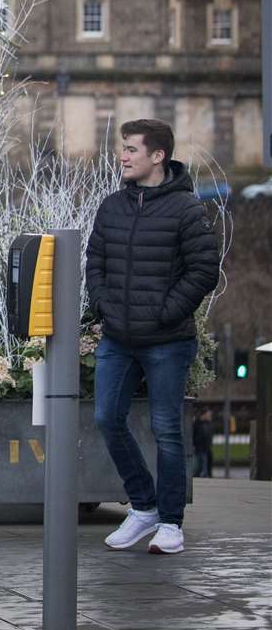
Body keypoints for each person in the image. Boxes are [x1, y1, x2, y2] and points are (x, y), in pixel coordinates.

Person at [86, 118, 218, 555]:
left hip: (168, 340)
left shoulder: (187, 209)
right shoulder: (111, 206)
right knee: (107, 418)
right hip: (118, 339)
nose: (122, 156)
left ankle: (170, 523)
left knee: (167, 431)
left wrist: (166, 312)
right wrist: (104, 305)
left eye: (131, 149)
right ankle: (142, 506)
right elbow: (95, 262)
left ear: (158, 156)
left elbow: (204, 271)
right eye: (122, 148)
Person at [191, 409, 214, 479]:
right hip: (199, 446)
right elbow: (194, 434)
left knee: (205, 462)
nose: (210, 416)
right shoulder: (197, 423)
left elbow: (209, 435)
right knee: (199, 462)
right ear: (204, 415)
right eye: (208, 415)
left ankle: (204, 474)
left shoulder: (208, 423)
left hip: (206, 447)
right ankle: (201, 474)